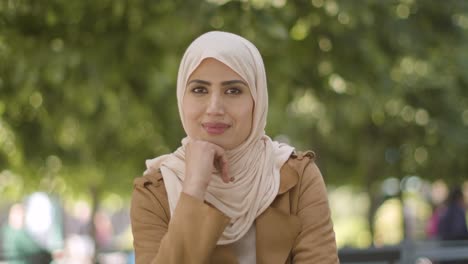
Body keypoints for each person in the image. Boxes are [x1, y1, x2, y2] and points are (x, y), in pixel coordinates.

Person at [130, 31, 338, 263]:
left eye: (233, 90)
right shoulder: (155, 192)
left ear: (256, 101)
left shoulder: (297, 177)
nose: (214, 107)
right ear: (182, 97)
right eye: (200, 90)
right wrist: (193, 188)